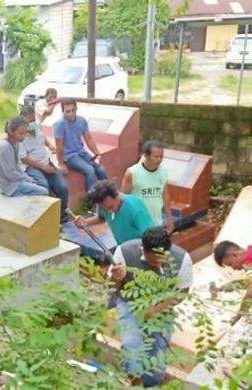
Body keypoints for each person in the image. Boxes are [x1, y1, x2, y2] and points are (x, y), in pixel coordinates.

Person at [110, 227, 193, 387]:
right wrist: (116, 278)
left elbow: (183, 291)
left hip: (162, 306)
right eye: (154, 261)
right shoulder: (125, 251)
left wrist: (157, 309)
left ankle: (152, 383)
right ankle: (134, 382)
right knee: (132, 343)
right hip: (131, 303)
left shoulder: (182, 258)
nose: (159, 264)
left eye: (163, 259)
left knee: (157, 350)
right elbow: (113, 287)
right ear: (144, 250)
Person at [18, 106, 69, 222]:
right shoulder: (20, 137)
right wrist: (44, 168)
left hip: (47, 162)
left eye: (33, 121)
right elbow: (24, 159)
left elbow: (43, 138)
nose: (31, 124)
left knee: (63, 188)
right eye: (28, 122)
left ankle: (61, 216)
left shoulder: (38, 126)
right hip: (33, 168)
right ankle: (43, 219)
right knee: (43, 188)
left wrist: (50, 145)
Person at [75, 180, 154, 245]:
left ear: (116, 195)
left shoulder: (135, 209)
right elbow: (101, 218)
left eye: (110, 207)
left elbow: (150, 237)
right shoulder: (103, 204)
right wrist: (85, 222)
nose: (109, 212)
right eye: (105, 209)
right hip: (122, 248)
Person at [53, 98, 107, 192]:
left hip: (81, 153)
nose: (71, 114)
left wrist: (97, 154)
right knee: (89, 171)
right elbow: (59, 146)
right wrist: (61, 164)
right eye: (67, 111)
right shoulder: (59, 124)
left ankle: (110, 195)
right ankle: (91, 203)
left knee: (100, 169)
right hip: (69, 156)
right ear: (63, 112)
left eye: (73, 110)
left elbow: (88, 139)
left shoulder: (82, 120)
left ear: (76, 109)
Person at [121, 140, 174, 232]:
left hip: (156, 223)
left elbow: (165, 195)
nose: (159, 159)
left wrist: (169, 218)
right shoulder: (132, 173)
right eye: (156, 157)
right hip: (136, 224)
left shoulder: (164, 172)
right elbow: (124, 199)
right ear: (146, 155)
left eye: (161, 156)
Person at [0, 116, 49, 197]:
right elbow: (9, 173)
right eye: (21, 133)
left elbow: (17, 167)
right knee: (44, 192)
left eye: (25, 133)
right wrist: (26, 179)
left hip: (16, 181)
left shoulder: (16, 143)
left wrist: (27, 178)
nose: (23, 136)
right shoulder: (4, 147)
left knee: (37, 184)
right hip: (9, 187)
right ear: (11, 132)